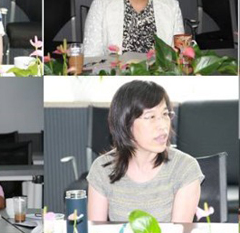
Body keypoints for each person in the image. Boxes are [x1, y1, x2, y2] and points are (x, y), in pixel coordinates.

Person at [87, 80, 203, 222]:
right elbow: (96, 232)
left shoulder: (184, 168)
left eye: (165, 114)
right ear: (125, 123)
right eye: (150, 117)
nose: (163, 125)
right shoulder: (102, 169)